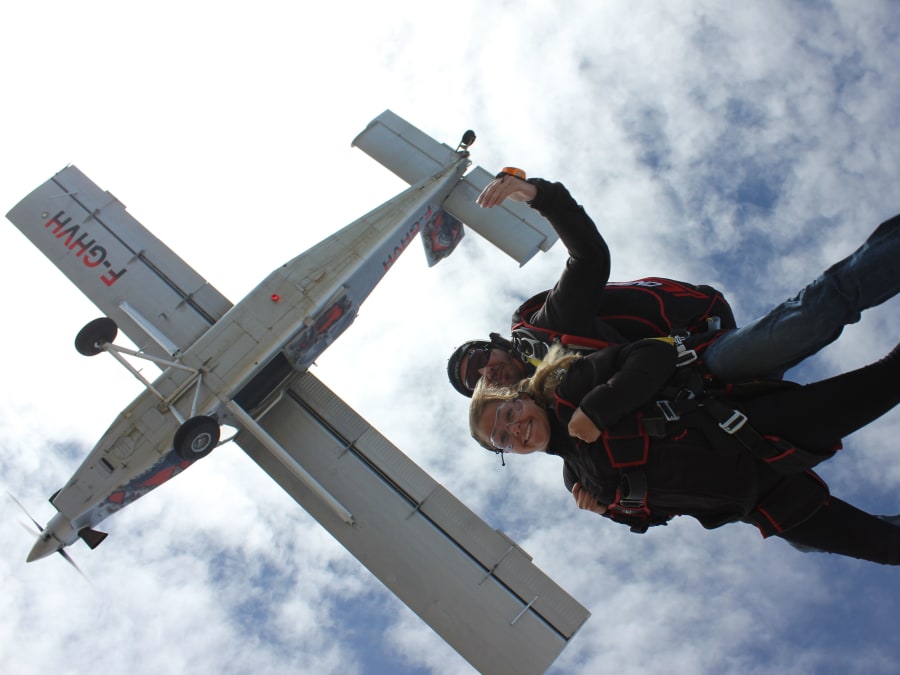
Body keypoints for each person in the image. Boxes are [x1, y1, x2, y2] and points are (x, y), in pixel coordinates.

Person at [448, 172, 900, 396]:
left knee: (813, 315)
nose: (485, 372)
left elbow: (590, 259)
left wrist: (539, 195)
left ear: (496, 344)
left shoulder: (544, 332)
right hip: (700, 402)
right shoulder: (534, 417)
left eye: (479, 359)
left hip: (702, 351)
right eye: (477, 383)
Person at [469, 339, 900, 565]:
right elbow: (658, 512)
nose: (515, 429)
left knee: (887, 380)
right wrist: (611, 513)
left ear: (520, 397)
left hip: (758, 427)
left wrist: (597, 410)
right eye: (503, 439)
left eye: (508, 412)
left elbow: (653, 354)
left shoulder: (571, 390)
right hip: (768, 505)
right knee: (888, 548)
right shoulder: (577, 483)